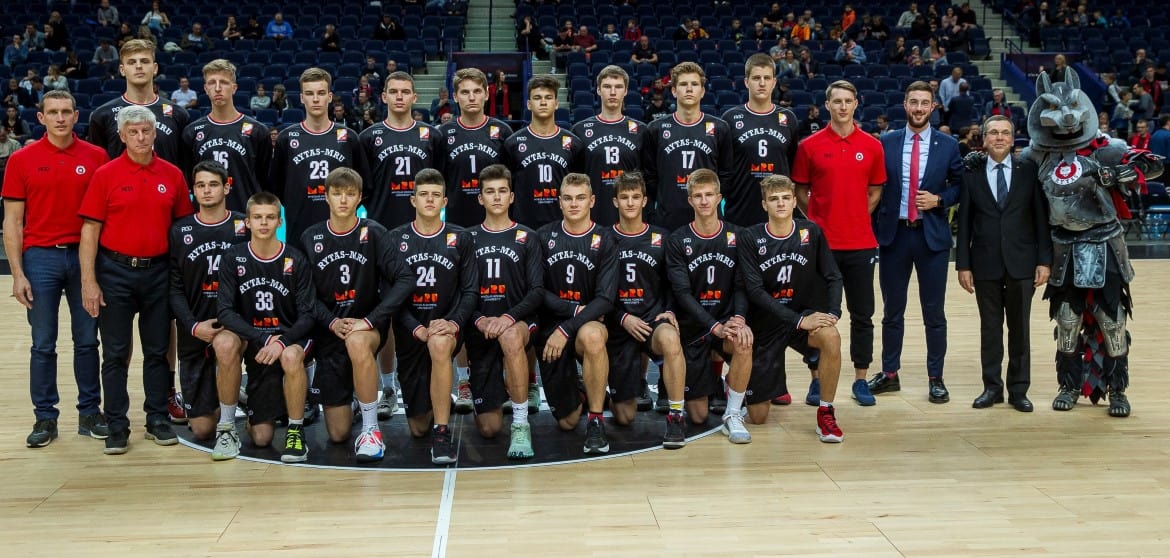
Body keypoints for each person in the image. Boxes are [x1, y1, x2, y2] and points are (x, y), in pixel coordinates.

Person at [1023, 71, 1163, 417]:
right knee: (1067, 321)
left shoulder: (1105, 148)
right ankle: (1069, 385)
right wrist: (977, 162)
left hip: (1104, 242)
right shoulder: (1038, 154)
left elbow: (1152, 165)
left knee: (1112, 321)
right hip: (1062, 244)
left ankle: (1118, 390)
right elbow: (1005, 172)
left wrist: (1119, 174)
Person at [78, 105, 194, 454]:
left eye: (146, 131)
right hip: (114, 272)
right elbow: (90, 230)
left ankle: (157, 419)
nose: (141, 137)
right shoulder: (105, 174)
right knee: (115, 353)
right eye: (133, 132)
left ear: (155, 133)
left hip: (159, 272)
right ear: (122, 136)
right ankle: (116, 425)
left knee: (157, 351)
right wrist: (88, 281)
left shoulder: (173, 175)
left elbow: (183, 231)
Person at [3, 91, 109, 449]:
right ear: (41, 117)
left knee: (87, 341)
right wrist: (18, 273)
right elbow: (12, 222)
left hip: (85, 258)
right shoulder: (21, 159)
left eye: (66, 112)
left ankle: (90, 413)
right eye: (53, 112)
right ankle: (45, 417)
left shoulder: (96, 157)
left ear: (76, 116)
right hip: (40, 259)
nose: (60, 118)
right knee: (43, 344)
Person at [300, 168, 411, 463]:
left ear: (360, 197)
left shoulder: (374, 232)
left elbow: (405, 279)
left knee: (357, 342)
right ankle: (356, 399)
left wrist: (371, 320)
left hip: (367, 327)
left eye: (350, 194)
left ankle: (372, 430)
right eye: (337, 193)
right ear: (326, 197)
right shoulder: (311, 237)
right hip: (330, 331)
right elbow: (304, 294)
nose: (343, 200)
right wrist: (332, 321)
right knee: (337, 433)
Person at [791, 80, 886, 406]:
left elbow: (875, 190)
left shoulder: (872, 146)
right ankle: (816, 380)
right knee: (817, 315)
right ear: (827, 105)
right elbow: (800, 190)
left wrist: (856, 215)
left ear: (856, 104)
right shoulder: (809, 146)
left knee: (862, 314)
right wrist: (817, 222)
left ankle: (861, 379)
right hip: (821, 247)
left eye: (848, 101)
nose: (843, 106)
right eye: (837, 101)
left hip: (860, 243)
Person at [869, 81, 963, 404]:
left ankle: (936, 377)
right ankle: (889, 373)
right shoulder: (886, 142)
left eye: (925, 103)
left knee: (934, 312)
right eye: (914, 102)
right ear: (905, 105)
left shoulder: (948, 145)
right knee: (892, 311)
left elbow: (959, 186)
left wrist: (939, 200)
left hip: (931, 237)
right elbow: (873, 185)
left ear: (933, 107)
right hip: (894, 236)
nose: (919, 108)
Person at [738, 174, 845, 440]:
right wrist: (798, 320)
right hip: (766, 324)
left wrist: (833, 313)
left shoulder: (811, 232)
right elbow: (755, 291)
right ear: (764, 205)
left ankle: (826, 412)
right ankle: (737, 384)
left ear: (795, 201)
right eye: (774, 199)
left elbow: (833, 276)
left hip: (802, 317)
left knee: (831, 336)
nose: (781, 204)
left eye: (786, 198)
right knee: (758, 417)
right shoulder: (750, 237)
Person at [956, 115, 1050, 412]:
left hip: (1022, 262)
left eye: (1005, 133)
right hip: (984, 263)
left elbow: (1040, 219)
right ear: (984, 139)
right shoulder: (971, 174)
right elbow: (964, 223)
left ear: (1013, 139)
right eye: (993, 133)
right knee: (990, 330)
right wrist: (963, 265)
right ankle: (992, 388)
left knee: (1020, 329)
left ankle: (1019, 390)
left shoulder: (1028, 170)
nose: (999, 137)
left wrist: (1044, 261)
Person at [216, 192, 315, 462]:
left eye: (270, 217)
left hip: (290, 338)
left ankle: (296, 432)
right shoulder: (233, 258)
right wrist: (262, 338)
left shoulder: (295, 259)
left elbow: (308, 315)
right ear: (247, 222)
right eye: (257, 217)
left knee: (291, 356)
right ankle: (227, 428)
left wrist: (281, 341)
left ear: (279, 222)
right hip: (257, 342)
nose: (263, 223)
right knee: (261, 438)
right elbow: (224, 311)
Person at [390, 169, 477, 465]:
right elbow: (390, 297)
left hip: (446, 327)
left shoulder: (460, 238)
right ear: (412, 199)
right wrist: (415, 328)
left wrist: (452, 322)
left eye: (436, 195)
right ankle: (438, 402)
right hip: (411, 331)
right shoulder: (395, 239)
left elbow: (470, 292)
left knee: (439, 345)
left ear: (444, 201)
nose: (429, 200)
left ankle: (442, 433)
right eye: (424, 194)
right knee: (417, 427)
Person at [167, 161, 248, 458]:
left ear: (226, 187)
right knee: (201, 429)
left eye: (213, 184)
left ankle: (228, 426)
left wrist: (239, 323)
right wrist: (192, 326)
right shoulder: (181, 230)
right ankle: (226, 391)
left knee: (263, 434)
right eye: (200, 185)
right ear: (193, 191)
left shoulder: (244, 226)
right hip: (196, 330)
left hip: (236, 327)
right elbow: (174, 289)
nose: (207, 191)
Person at [666, 169, 754, 440]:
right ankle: (714, 383)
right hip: (694, 326)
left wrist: (739, 318)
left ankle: (733, 413)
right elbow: (682, 294)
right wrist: (713, 326)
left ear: (719, 198)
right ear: (690, 200)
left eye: (709, 195)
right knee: (698, 415)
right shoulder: (678, 240)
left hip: (726, 321)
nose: (704, 201)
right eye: (698, 196)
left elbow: (742, 286)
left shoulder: (738, 236)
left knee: (743, 340)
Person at [464, 164, 544, 458]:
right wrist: (479, 320)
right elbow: (461, 292)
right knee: (488, 428)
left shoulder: (527, 237)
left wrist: (509, 317)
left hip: (519, 322)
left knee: (510, 337)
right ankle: (488, 386)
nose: (496, 197)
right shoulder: (467, 238)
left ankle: (521, 425)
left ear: (511, 197)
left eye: (502, 191)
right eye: (490, 192)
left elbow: (537, 291)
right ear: (480, 198)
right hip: (481, 326)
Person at [533, 173, 617, 453]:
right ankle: (583, 389)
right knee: (567, 422)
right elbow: (537, 291)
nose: (574, 204)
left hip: (586, 325)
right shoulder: (543, 237)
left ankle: (596, 421)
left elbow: (605, 299)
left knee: (593, 336)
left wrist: (568, 327)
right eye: (568, 198)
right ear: (559, 202)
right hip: (551, 327)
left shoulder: (604, 239)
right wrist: (571, 311)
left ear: (592, 201)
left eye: (580, 198)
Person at [608, 172, 689, 448]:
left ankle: (676, 416)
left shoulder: (662, 238)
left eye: (635, 197)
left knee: (670, 338)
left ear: (645, 200)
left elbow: (675, 284)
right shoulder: (605, 238)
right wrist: (621, 317)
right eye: (624, 197)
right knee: (624, 416)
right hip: (620, 324)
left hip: (652, 321)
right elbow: (598, 293)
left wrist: (670, 310)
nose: (630, 203)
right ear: (615, 202)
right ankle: (613, 392)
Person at [269, 67, 368, 251]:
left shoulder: (349, 137)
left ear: (329, 97)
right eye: (309, 93)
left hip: (342, 231)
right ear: (301, 98)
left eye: (321, 93)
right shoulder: (286, 138)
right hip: (299, 231)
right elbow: (276, 187)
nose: (315, 99)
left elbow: (364, 186)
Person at [643, 62, 733, 230]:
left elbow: (726, 175)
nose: (689, 89)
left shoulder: (720, 128)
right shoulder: (655, 129)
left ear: (703, 91)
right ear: (674, 91)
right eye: (683, 84)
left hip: (708, 221)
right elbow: (650, 177)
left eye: (694, 84)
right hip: (668, 219)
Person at [181, 59, 272, 213]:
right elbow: (190, 181)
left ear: (234, 88)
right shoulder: (192, 132)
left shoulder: (258, 131)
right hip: (206, 217)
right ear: (205, 88)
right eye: (212, 83)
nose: (217, 88)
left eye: (223, 82)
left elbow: (265, 182)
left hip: (246, 216)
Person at [721, 54, 799, 228]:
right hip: (740, 212)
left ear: (774, 82)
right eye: (756, 78)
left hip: (778, 214)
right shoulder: (730, 118)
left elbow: (792, 164)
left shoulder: (788, 118)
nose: (762, 83)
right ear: (746, 82)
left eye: (767, 78)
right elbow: (724, 168)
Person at [89, 39, 190, 166]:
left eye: (144, 61)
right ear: (122, 70)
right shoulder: (102, 115)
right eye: (131, 62)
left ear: (155, 68)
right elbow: (96, 166)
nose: (138, 66)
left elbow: (184, 166)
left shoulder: (177, 113)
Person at [503, 75, 584, 229]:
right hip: (524, 226)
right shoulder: (512, 143)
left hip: (563, 226)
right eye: (537, 98)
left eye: (548, 97)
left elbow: (580, 188)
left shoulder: (574, 143)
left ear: (556, 103)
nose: (543, 102)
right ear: (529, 104)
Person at [572, 66, 649, 227]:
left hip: (630, 218)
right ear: (598, 90)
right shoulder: (580, 130)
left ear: (625, 91)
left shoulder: (641, 130)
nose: (613, 92)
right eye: (607, 87)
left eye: (618, 87)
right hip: (592, 216)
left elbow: (648, 178)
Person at [437, 68, 513, 227]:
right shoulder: (442, 134)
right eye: (465, 92)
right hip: (455, 222)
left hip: (495, 223)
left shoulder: (503, 131)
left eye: (477, 91)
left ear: (486, 94)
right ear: (455, 96)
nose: (471, 97)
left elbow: (511, 181)